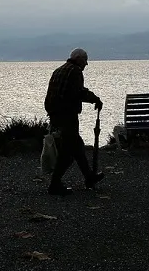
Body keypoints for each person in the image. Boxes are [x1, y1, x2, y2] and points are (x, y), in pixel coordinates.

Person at [44, 48, 104, 196]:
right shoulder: (75, 72)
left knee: (76, 146)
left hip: (55, 114)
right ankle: (55, 184)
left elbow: (51, 94)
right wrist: (95, 99)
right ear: (78, 59)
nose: (86, 64)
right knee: (69, 152)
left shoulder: (59, 70)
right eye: (85, 60)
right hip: (67, 115)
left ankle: (89, 177)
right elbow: (78, 92)